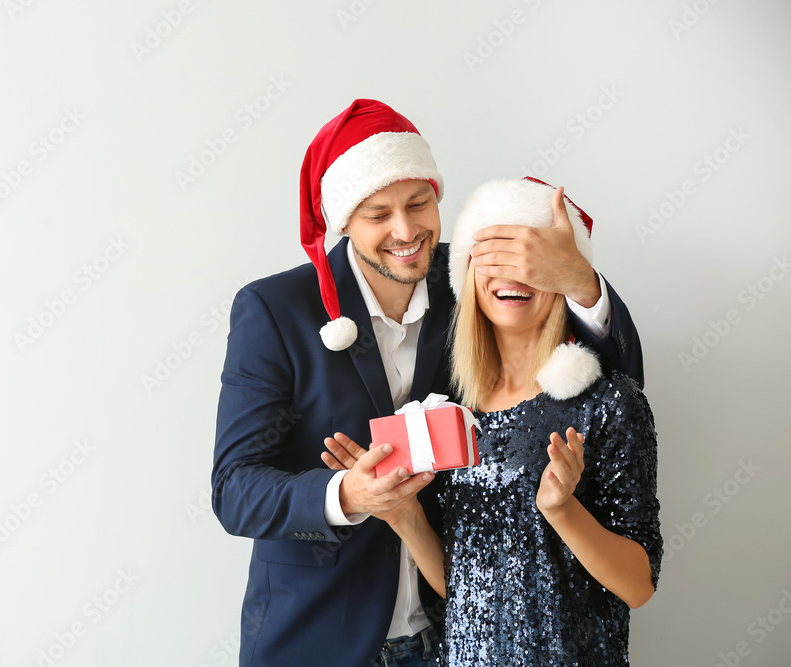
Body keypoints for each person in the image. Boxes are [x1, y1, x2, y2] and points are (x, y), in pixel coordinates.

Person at [211, 99, 644, 667]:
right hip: (316, 638)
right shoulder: (275, 309)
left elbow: (615, 380)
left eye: (419, 203)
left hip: (459, 638)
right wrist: (346, 495)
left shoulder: (468, 279)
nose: (406, 230)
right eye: (378, 215)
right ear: (345, 221)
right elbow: (234, 490)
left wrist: (581, 282)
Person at [324, 178, 663, 665]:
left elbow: (638, 586)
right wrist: (404, 516)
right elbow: (465, 590)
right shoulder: (456, 409)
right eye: (495, 257)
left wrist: (562, 510)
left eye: (531, 261)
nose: (514, 275)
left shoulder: (608, 401)